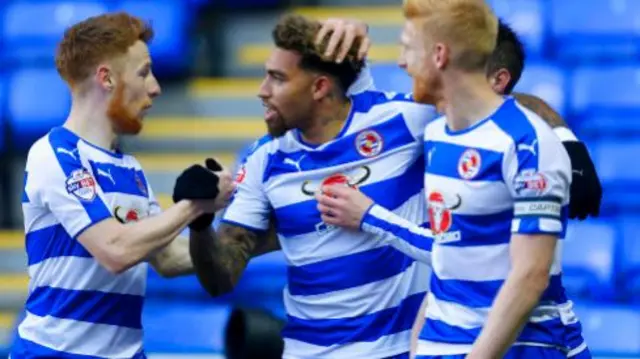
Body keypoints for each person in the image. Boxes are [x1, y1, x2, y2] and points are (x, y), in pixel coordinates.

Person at [316, 0, 589, 358]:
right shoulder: (437, 136)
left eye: (408, 48)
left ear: (439, 55)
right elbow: (450, 254)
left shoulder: (528, 143)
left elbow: (531, 276)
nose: (401, 61)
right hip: (442, 341)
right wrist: (422, 345)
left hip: (525, 346)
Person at [174, 14, 437, 359]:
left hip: (396, 350)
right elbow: (220, 278)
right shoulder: (264, 159)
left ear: (319, 88)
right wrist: (201, 223)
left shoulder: (406, 120)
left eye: (277, 78)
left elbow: (507, 112)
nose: (262, 90)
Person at [11, 12, 232, 359]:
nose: (156, 87)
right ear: (107, 78)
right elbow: (115, 250)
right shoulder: (54, 154)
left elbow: (169, 259)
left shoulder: (129, 167)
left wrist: (258, 236)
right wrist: (195, 204)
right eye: (143, 73)